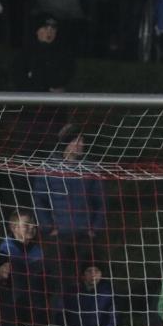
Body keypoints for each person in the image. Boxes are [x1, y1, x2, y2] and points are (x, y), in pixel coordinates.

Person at [32, 123, 106, 293]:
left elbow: (100, 202)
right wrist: (49, 227)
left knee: (86, 279)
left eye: (83, 141)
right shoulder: (48, 167)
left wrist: (94, 228)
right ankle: (58, 316)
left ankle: (85, 315)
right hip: (59, 235)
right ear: (66, 143)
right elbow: (39, 200)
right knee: (59, 280)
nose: (81, 145)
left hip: (84, 235)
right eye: (77, 141)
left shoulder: (90, 168)